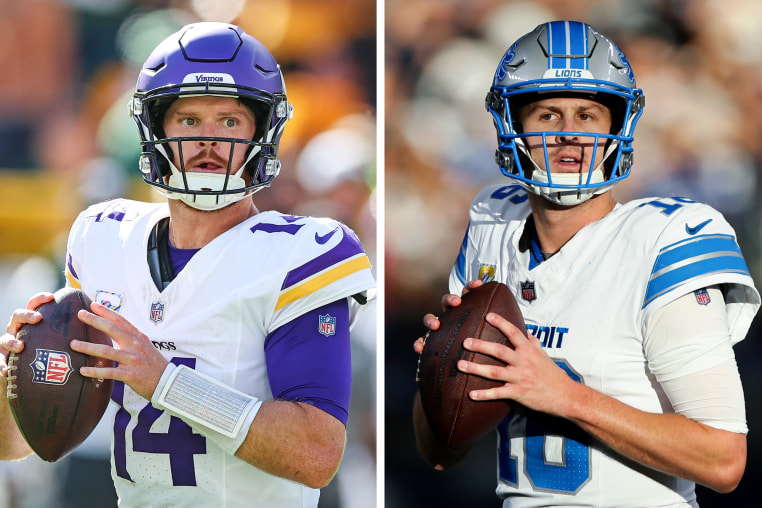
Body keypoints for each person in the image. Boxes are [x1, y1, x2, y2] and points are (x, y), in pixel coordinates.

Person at [1, 22, 375, 508]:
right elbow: (16, 444)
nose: (208, 140)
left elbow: (317, 453)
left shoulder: (301, 255)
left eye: (229, 121)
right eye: (189, 120)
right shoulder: (103, 237)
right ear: (155, 129)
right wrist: (18, 376)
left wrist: (165, 383)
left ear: (262, 131)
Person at [413, 20, 759, 507]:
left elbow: (724, 461)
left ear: (617, 126)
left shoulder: (662, 241)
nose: (569, 135)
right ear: (512, 125)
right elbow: (440, 452)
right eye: (548, 115)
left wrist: (563, 396)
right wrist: (438, 369)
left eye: (588, 115)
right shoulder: (494, 228)